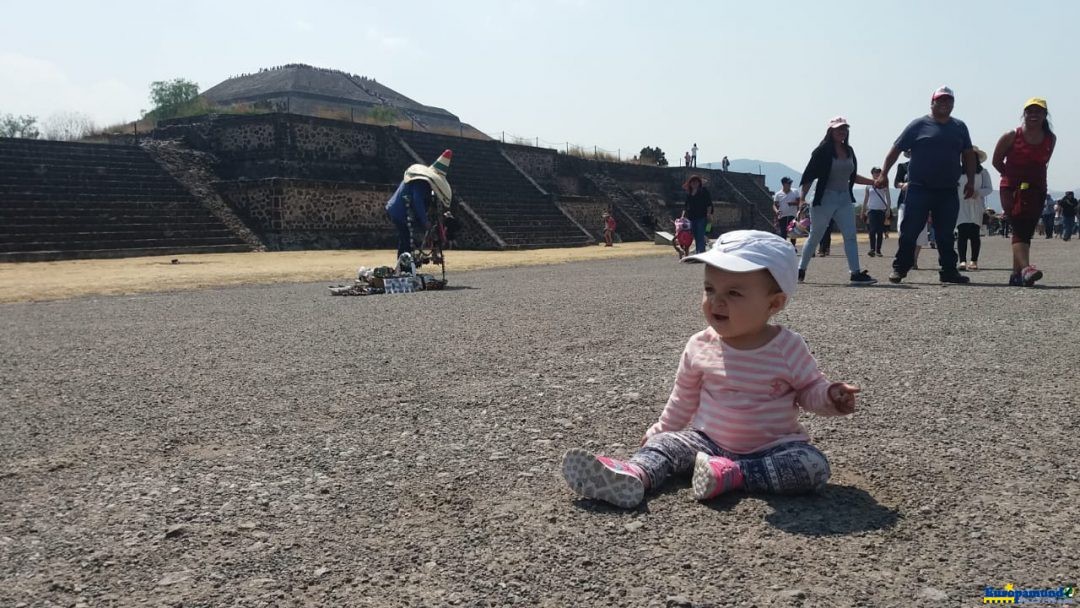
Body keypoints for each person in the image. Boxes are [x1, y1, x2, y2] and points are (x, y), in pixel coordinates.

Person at [560, 230, 858, 508]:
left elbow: (809, 390)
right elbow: (683, 397)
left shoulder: (788, 347)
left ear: (774, 303)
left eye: (734, 294)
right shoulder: (700, 345)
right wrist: (660, 431)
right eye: (709, 288)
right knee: (665, 445)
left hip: (772, 447)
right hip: (706, 442)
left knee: (812, 466)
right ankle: (634, 475)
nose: (716, 301)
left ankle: (734, 474)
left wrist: (831, 396)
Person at [876, 86, 976, 284]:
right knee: (910, 230)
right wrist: (884, 174)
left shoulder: (960, 127)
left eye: (949, 101)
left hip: (947, 189)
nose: (945, 104)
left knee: (946, 233)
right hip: (919, 188)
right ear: (932, 103)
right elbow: (895, 150)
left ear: (953, 104)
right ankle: (900, 268)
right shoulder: (918, 125)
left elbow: (968, 155)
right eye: (941, 100)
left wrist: (971, 181)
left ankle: (948, 270)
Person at [797, 116, 877, 285]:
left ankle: (855, 273)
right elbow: (809, 176)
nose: (842, 132)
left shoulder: (849, 151)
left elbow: (852, 176)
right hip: (824, 198)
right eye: (839, 129)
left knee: (850, 236)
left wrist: (874, 182)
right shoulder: (821, 152)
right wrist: (802, 198)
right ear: (830, 131)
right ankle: (800, 270)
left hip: (844, 198)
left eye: (845, 129)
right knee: (815, 236)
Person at [992, 97, 1057, 286]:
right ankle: (1027, 269)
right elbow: (997, 161)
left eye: (1038, 111)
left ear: (1045, 115)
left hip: (1036, 188)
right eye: (1030, 111)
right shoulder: (1012, 136)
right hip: (1011, 187)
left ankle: (1016, 274)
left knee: (1026, 229)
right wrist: (1011, 177)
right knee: (1019, 224)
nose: (1034, 115)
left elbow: (1044, 162)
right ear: (1024, 114)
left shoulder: (1050, 139)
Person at [386, 149, 452, 258]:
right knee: (406, 240)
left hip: (398, 210)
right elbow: (418, 201)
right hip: (400, 211)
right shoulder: (421, 182)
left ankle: (404, 266)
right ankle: (405, 267)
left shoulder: (423, 183)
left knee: (405, 240)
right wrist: (425, 221)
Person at [956, 147, 993, 271]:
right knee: (962, 232)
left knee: (974, 233)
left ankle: (974, 260)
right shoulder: (957, 171)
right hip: (962, 205)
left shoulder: (983, 172)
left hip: (976, 204)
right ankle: (962, 260)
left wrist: (978, 192)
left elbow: (989, 188)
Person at [893, 150, 929, 269]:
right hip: (905, 201)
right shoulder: (903, 166)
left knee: (921, 232)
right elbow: (896, 182)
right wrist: (902, 185)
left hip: (922, 202)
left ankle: (914, 259)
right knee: (901, 229)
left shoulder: (927, 166)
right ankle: (905, 257)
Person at [861, 167, 892, 257]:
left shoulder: (884, 184)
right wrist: (863, 210)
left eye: (878, 172)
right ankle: (872, 249)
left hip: (881, 210)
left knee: (879, 231)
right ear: (872, 174)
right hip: (871, 210)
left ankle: (878, 250)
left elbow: (888, 197)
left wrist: (888, 209)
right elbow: (865, 199)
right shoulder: (868, 185)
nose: (877, 174)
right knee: (872, 230)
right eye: (875, 172)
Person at [683, 175, 713, 253]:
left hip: (701, 217)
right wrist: (682, 216)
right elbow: (686, 207)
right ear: (690, 184)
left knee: (700, 235)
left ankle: (701, 252)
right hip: (692, 218)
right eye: (692, 182)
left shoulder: (703, 191)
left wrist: (709, 214)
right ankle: (698, 251)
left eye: (696, 182)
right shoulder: (689, 194)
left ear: (699, 183)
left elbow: (709, 204)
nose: (694, 183)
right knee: (695, 236)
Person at [773, 176, 802, 245]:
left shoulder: (795, 191)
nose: (790, 184)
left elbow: (799, 202)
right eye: (788, 183)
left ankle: (793, 247)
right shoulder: (778, 194)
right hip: (782, 216)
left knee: (792, 233)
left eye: (790, 183)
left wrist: (792, 203)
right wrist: (776, 211)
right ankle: (784, 247)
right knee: (783, 233)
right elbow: (774, 205)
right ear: (783, 184)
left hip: (792, 216)